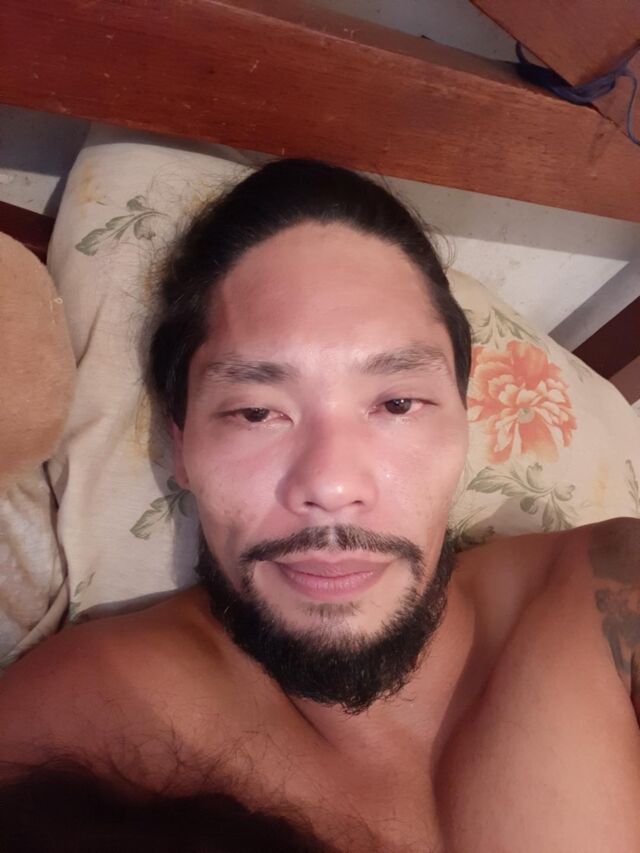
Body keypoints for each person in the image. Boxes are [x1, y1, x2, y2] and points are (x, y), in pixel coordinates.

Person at [0, 158, 638, 853]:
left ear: (464, 416)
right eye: (255, 412)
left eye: (398, 403)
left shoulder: (607, 596)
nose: (331, 485)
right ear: (180, 444)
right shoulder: (81, 721)